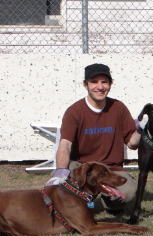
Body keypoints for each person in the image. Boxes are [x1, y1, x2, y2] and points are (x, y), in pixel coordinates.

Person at [46, 63, 141, 215]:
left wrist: (142, 129)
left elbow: (132, 143)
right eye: (94, 81)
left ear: (110, 84)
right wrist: (61, 172)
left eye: (104, 82)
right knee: (61, 186)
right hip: (84, 167)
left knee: (129, 193)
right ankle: (77, 202)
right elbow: (65, 145)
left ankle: (106, 203)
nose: (100, 87)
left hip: (110, 168)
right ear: (85, 84)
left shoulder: (118, 108)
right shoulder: (74, 111)